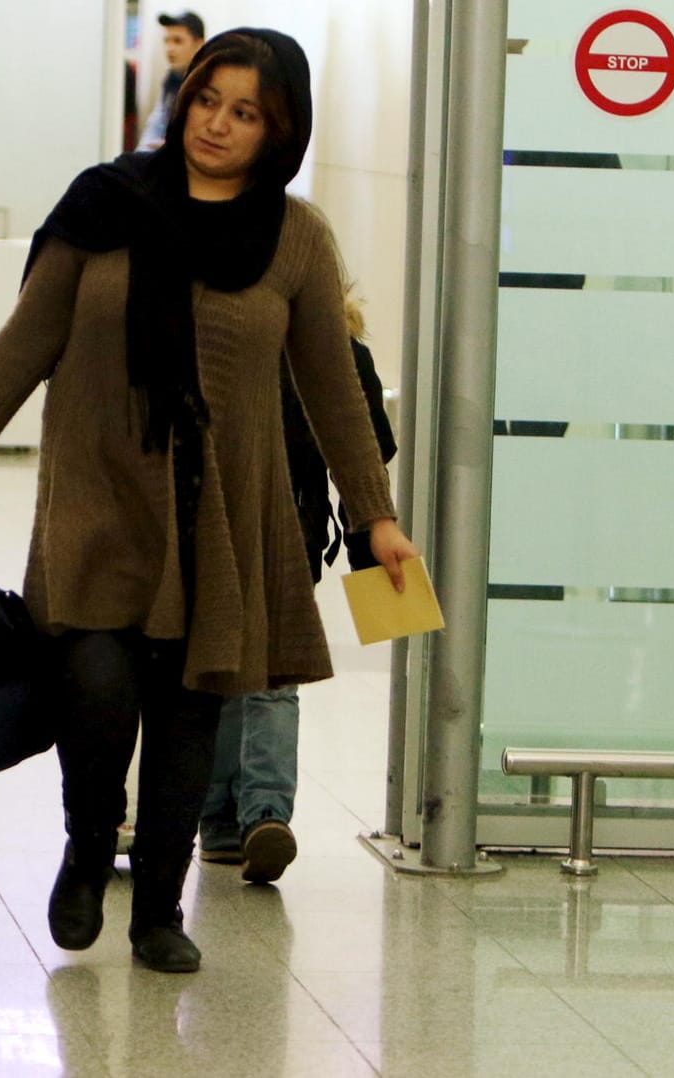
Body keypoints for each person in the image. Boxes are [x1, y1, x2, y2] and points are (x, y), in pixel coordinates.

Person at [0, 29, 417, 974]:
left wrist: (372, 512)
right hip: (99, 491)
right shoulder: (105, 203)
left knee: (188, 715)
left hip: (221, 508)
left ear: (279, 131)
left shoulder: (293, 236)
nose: (215, 124)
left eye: (244, 112)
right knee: (94, 686)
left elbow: (333, 388)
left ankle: (160, 914)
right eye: (206, 99)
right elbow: (31, 336)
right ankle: (89, 846)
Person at [199, 290, 398, 884]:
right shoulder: (340, 349)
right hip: (291, 530)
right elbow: (373, 450)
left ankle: (231, 822)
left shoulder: (222, 331)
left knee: (227, 670)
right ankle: (258, 816)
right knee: (268, 675)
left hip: (224, 526)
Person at [140, 11, 206, 150]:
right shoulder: (172, 78)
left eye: (177, 41)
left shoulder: (209, 83)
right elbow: (157, 122)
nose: (169, 49)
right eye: (166, 41)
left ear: (199, 45)